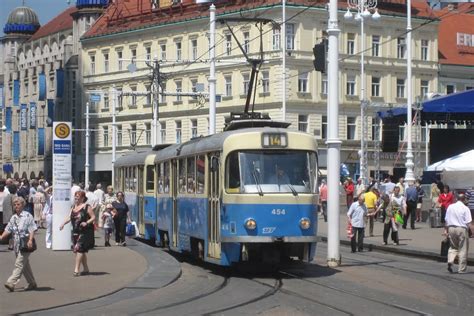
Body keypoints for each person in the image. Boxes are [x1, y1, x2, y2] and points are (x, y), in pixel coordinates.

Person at [0, 196, 37, 292]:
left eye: (18, 204)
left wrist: (30, 240)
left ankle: (11, 282)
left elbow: (32, 228)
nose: (16, 206)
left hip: (26, 243)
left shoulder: (27, 216)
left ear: (23, 205)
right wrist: (1, 237)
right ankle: (32, 283)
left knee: (19, 263)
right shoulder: (13, 217)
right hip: (16, 244)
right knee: (24, 265)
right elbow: (8, 229)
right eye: (15, 204)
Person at [59, 191, 95, 276]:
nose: (76, 198)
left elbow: (93, 217)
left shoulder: (87, 206)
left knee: (79, 249)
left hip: (85, 231)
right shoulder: (73, 207)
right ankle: (86, 269)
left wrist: (87, 222)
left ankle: (76, 269)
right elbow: (69, 217)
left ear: (82, 198)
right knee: (79, 251)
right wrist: (63, 224)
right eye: (75, 196)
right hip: (76, 231)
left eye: (77, 196)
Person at [444, 194, 472, 274]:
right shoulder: (465, 208)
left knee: (453, 247)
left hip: (451, 228)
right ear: (464, 200)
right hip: (461, 229)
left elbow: (446, 219)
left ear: (457, 199)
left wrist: (445, 230)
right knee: (463, 249)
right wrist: (472, 232)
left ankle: (450, 261)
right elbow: (469, 223)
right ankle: (461, 269)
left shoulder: (450, 207)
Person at [2, 183, 17, 250]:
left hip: (6, 216)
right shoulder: (14, 197)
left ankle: (10, 244)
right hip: (12, 216)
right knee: (13, 232)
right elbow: (15, 207)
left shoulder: (6, 197)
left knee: (9, 231)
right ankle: (12, 245)